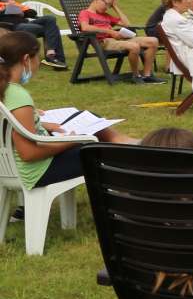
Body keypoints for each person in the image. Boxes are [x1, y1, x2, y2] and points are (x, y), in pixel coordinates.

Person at [1, 31, 136, 194]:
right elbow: (28, 154)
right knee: (102, 150)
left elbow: (11, 127)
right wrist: (72, 141)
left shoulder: (6, 92)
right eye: (38, 58)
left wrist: (40, 123)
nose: (38, 63)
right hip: (37, 171)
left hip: (17, 168)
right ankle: (128, 201)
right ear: (26, 59)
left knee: (90, 126)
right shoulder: (18, 96)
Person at [76, 0, 162, 83]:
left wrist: (115, 7)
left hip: (116, 40)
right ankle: (136, 75)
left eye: (110, 6)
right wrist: (109, 31)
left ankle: (147, 75)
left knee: (153, 41)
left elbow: (127, 24)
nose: (107, 8)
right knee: (134, 46)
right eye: (107, 4)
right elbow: (85, 27)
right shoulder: (85, 13)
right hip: (103, 42)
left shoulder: (106, 15)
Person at [0, 0, 68, 69]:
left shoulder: (8, 1)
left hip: (26, 22)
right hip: (13, 27)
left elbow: (32, 13)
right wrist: (6, 9)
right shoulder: (5, 4)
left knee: (50, 19)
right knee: (53, 28)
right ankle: (56, 58)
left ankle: (51, 52)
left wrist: (19, 10)